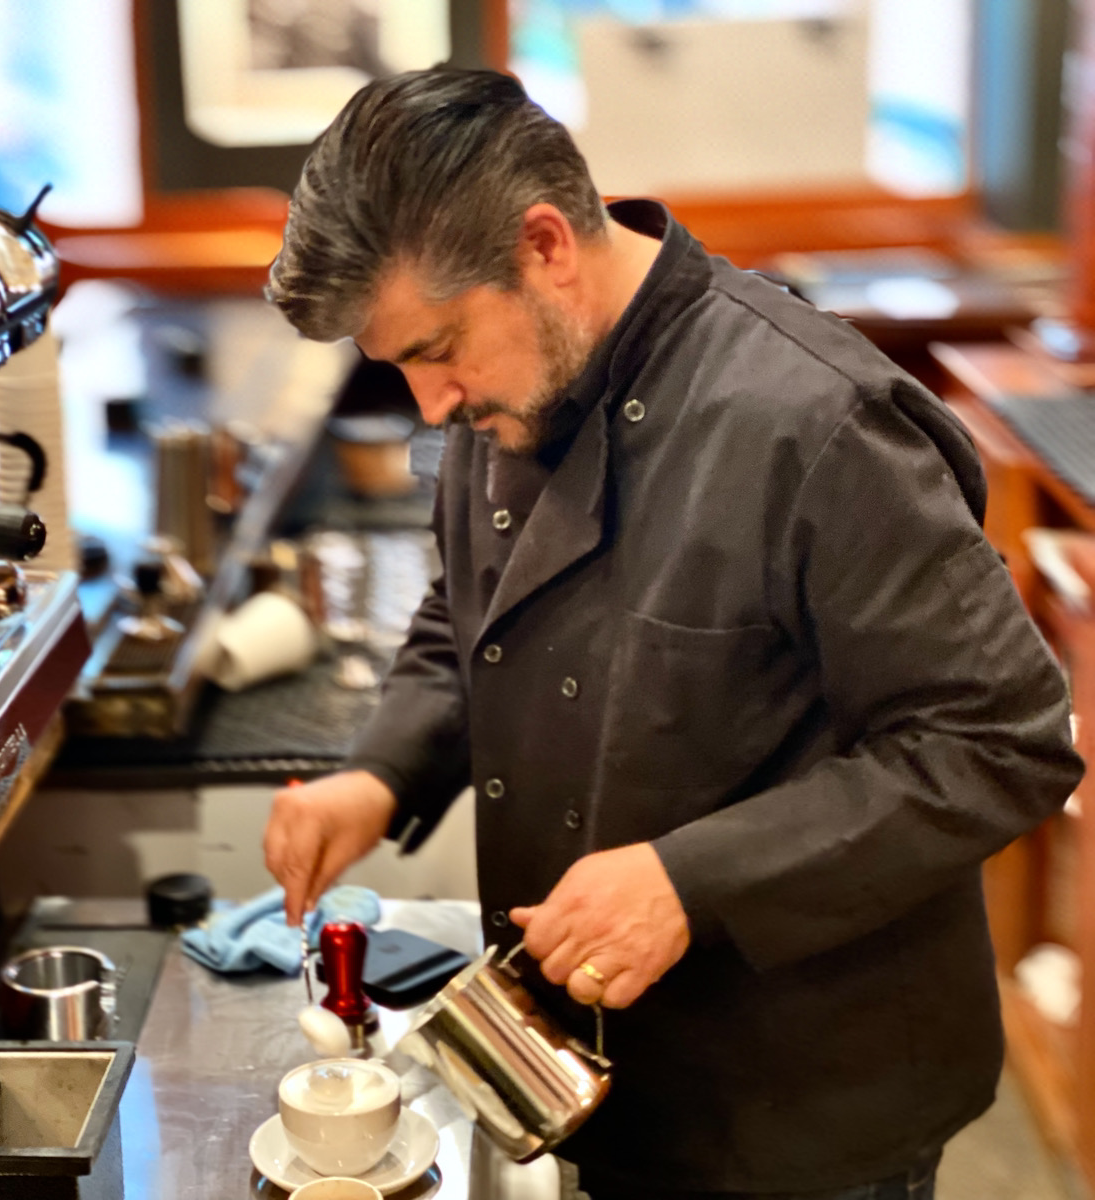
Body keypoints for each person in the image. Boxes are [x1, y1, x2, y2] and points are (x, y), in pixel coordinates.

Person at [260, 67, 1084, 1199]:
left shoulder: (817, 425)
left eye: (437, 348)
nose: (429, 406)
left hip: (805, 1106)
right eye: (397, 365)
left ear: (545, 246)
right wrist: (377, 774)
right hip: (601, 1073)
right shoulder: (509, 391)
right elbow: (466, 619)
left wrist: (688, 881)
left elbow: (1001, 740)